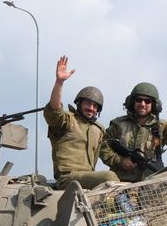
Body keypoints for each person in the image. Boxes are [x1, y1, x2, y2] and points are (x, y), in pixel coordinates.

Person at [99, 82, 167, 182]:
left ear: (154, 104)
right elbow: (102, 146)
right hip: (120, 181)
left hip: (150, 183)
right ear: (132, 102)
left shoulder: (161, 127)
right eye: (139, 100)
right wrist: (120, 161)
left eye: (147, 101)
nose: (143, 104)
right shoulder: (119, 125)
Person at [42, 56, 118, 189]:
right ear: (79, 103)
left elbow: (103, 155)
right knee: (109, 177)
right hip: (68, 179)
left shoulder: (98, 130)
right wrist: (59, 82)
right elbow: (54, 111)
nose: (91, 108)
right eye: (87, 103)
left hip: (88, 180)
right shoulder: (67, 120)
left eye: (95, 106)